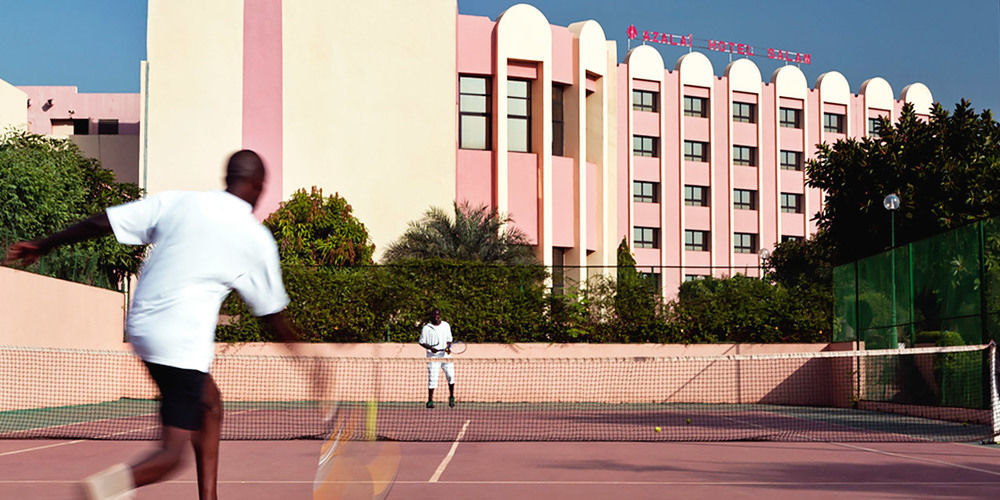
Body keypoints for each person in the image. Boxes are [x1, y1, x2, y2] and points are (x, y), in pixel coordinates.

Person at [4, 149, 300, 500]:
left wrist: (44, 243)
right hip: (180, 340)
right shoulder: (255, 238)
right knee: (170, 456)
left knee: (210, 404)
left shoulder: (180, 202)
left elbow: (103, 222)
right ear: (258, 185)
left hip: (142, 324)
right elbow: (271, 315)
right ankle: (101, 490)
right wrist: (307, 357)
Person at [417, 308, 455, 408]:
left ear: (440, 315)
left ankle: (451, 397)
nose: (436, 317)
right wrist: (430, 348)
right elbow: (421, 342)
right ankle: (430, 400)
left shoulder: (446, 325)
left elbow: (449, 340)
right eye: (434, 315)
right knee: (432, 378)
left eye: (437, 315)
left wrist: (448, 348)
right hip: (433, 357)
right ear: (431, 316)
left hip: (445, 356)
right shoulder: (426, 328)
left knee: (451, 375)